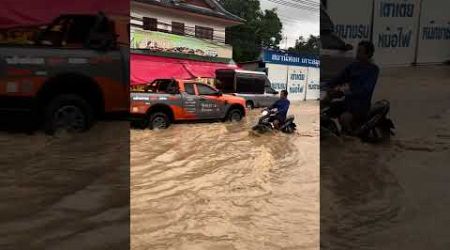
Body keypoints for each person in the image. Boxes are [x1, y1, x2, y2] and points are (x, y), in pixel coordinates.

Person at [326, 40, 379, 134]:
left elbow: (366, 89)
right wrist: (328, 86)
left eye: (360, 51)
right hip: (347, 102)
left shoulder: (373, 70)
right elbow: (339, 78)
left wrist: (344, 92)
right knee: (326, 110)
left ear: (368, 54)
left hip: (361, 106)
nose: (357, 54)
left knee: (344, 119)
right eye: (357, 51)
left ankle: (350, 139)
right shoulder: (353, 66)